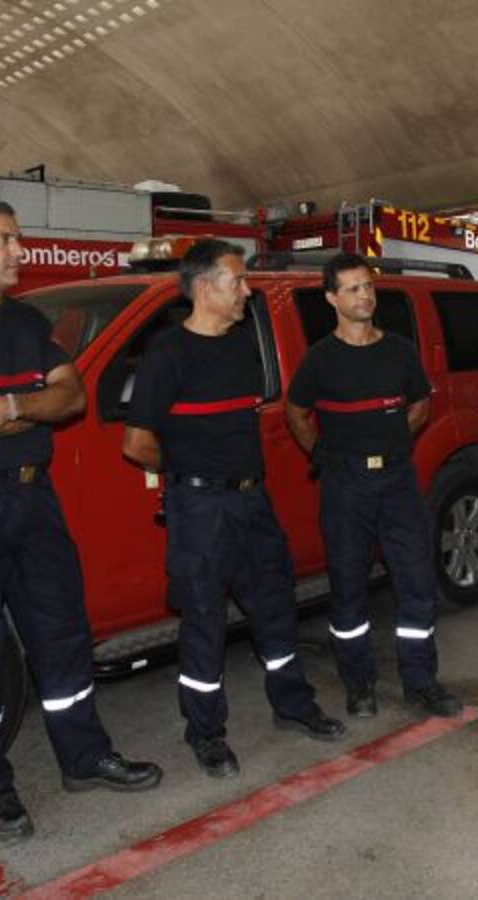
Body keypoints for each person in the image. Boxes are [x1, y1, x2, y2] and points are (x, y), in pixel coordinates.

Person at [0, 198, 162, 843]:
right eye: (7, 240)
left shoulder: (25, 320)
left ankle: (84, 757)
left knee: (63, 631)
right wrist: (31, 406)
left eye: (18, 239)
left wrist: (14, 405)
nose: (21, 250)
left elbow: (71, 397)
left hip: (32, 498)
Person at [122, 240, 345, 778]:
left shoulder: (242, 343)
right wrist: (186, 477)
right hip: (200, 507)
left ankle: (294, 704)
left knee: (274, 605)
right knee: (204, 620)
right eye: (238, 282)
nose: (247, 291)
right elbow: (136, 444)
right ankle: (206, 733)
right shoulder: (167, 355)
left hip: (252, 500)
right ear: (204, 289)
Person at [284, 253, 462, 720]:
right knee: (348, 589)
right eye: (353, 289)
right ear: (332, 299)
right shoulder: (320, 359)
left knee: (416, 583)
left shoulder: (400, 350)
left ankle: (421, 681)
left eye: (368, 286)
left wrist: (397, 437)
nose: (365, 296)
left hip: (397, 482)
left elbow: (421, 402)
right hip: (345, 485)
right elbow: (297, 411)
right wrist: (321, 455)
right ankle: (358, 683)